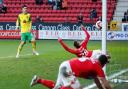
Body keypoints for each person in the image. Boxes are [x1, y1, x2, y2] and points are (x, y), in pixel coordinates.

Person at [30, 55, 112, 89]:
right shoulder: (98, 67)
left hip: (65, 64)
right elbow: (105, 83)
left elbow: (97, 81)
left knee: (58, 86)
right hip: (68, 70)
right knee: (77, 87)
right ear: (103, 63)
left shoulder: (94, 62)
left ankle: (38, 80)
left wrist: (101, 88)